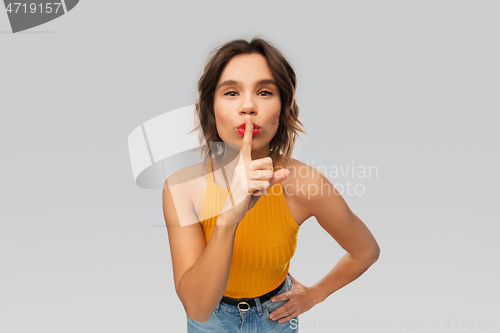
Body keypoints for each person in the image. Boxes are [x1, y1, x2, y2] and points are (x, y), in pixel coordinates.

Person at [162, 37, 380, 332]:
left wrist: (315, 294)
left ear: (284, 107)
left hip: (276, 318)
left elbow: (365, 251)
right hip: (211, 322)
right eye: (231, 92)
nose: (248, 106)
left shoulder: (304, 183)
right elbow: (198, 309)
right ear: (210, 107)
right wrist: (228, 219)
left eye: (265, 92)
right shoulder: (181, 188)